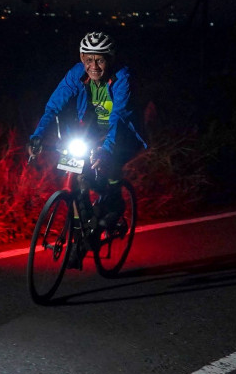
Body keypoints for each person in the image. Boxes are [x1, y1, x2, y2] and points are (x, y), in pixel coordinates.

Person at [26, 31, 148, 263]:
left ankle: (115, 201)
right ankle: (82, 234)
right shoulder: (77, 73)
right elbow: (53, 106)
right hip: (95, 131)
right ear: (82, 58)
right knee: (78, 176)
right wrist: (37, 135)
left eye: (100, 60)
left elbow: (118, 118)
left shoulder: (123, 78)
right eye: (88, 59)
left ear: (110, 59)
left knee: (110, 161)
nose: (93, 66)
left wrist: (106, 150)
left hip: (124, 132)